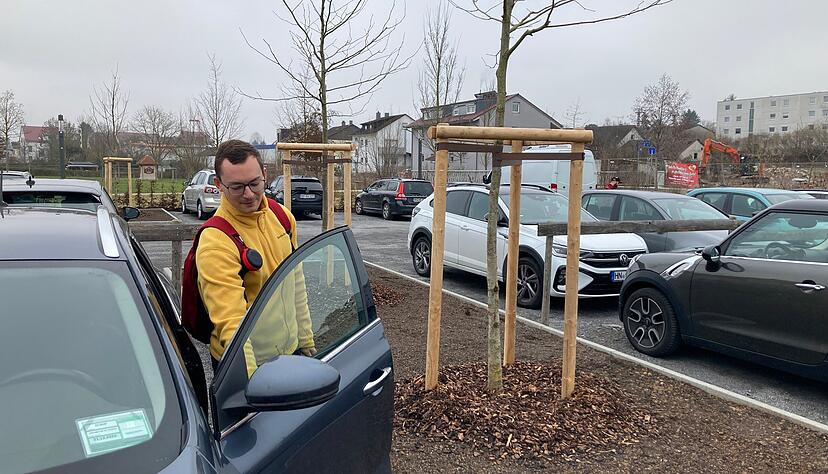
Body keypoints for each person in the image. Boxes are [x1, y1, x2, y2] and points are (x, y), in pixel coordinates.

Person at [196, 140, 315, 374]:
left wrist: (306, 340)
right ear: (219, 185)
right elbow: (232, 324)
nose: (249, 194)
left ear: (265, 174)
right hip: (247, 364)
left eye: (254, 183)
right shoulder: (215, 242)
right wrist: (250, 381)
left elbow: (295, 281)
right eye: (237, 187)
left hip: (290, 353)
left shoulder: (281, 217)